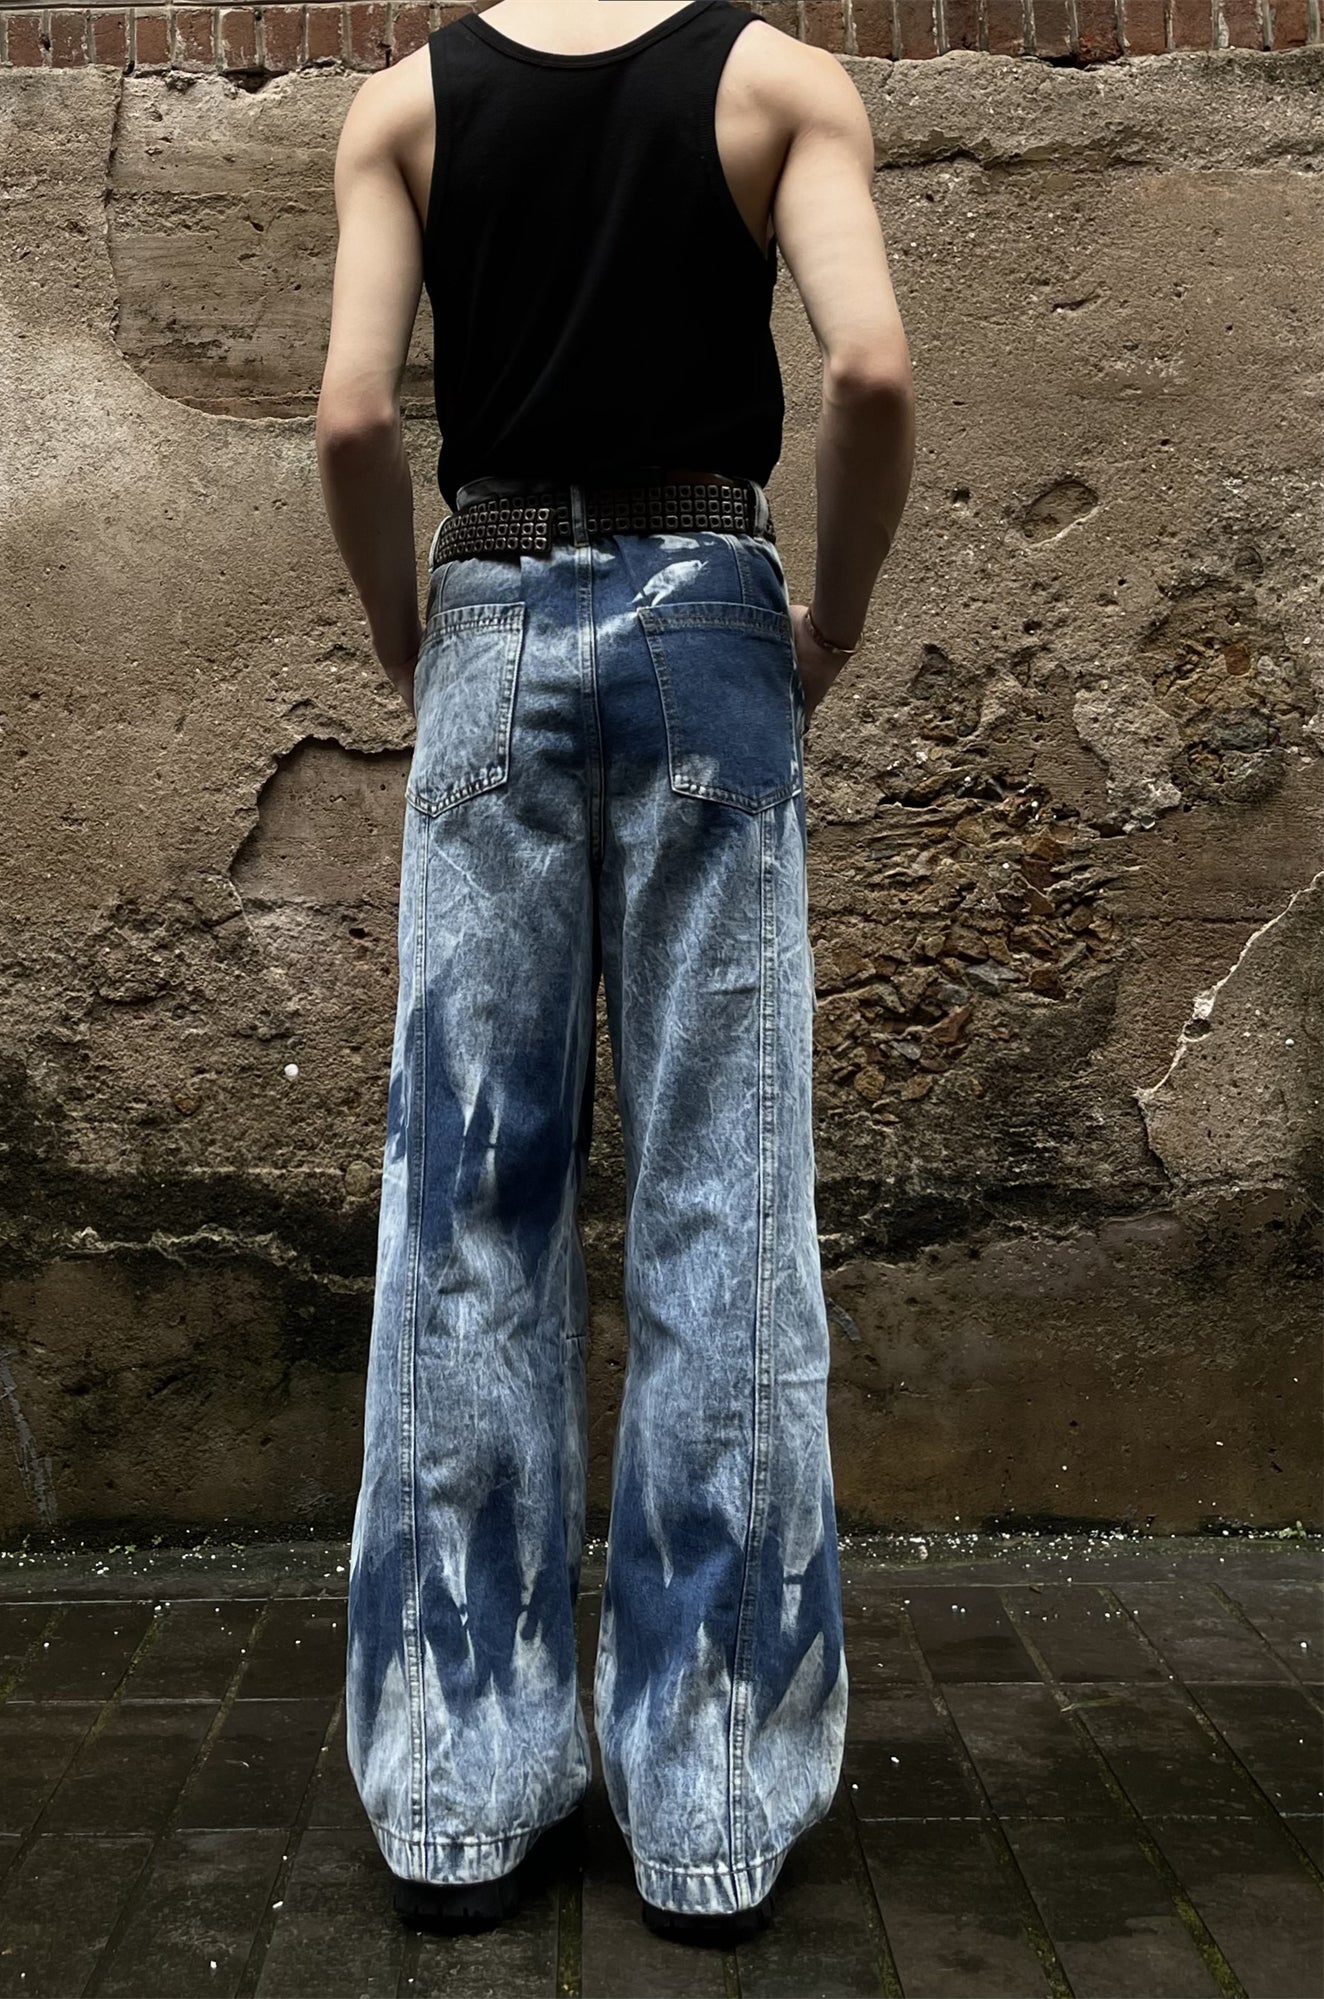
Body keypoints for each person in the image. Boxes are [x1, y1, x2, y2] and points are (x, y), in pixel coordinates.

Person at [316, 0, 915, 1952]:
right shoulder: (783, 86)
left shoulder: (401, 111)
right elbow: (874, 369)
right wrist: (829, 624)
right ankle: (708, 1804)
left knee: (468, 1210)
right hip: (707, 610)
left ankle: (457, 1804)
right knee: (722, 1200)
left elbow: (350, 422)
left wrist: (415, 638)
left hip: (490, 613)